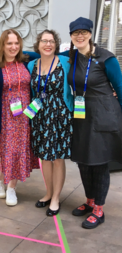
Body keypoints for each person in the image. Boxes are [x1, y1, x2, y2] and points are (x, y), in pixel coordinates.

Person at [65, 17, 122, 229]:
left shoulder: (106, 58)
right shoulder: (70, 56)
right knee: (83, 160)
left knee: (99, 163)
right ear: (71, 36)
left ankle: (99, 208)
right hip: (81, 114)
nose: (80, 36)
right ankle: (89, 200)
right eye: (75, 33)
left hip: (104, 113)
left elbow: (120, 86)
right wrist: (20, 56)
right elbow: (45, 54)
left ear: (91, 34)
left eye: (84, 32)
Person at [0, 29, 39, 206]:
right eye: (9, 43)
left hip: (25, 114)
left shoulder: (26, 60)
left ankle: (11, 188)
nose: (13, 47)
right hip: (5, 114)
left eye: (17, 43)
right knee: (8, 151)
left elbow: (43, 53)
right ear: (2, 44)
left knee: (18, 150)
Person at [27, 30, 73, 216]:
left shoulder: (65, 62)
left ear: (56, 44)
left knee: (57, 158)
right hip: (39, 115)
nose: (48, 44)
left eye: (51, 41)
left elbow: (87, 70)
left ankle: (56, 197)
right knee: (44, 158)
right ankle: (48, 193)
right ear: (38, 44)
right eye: (44, 41)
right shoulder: (31, 65)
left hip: (60, 115)